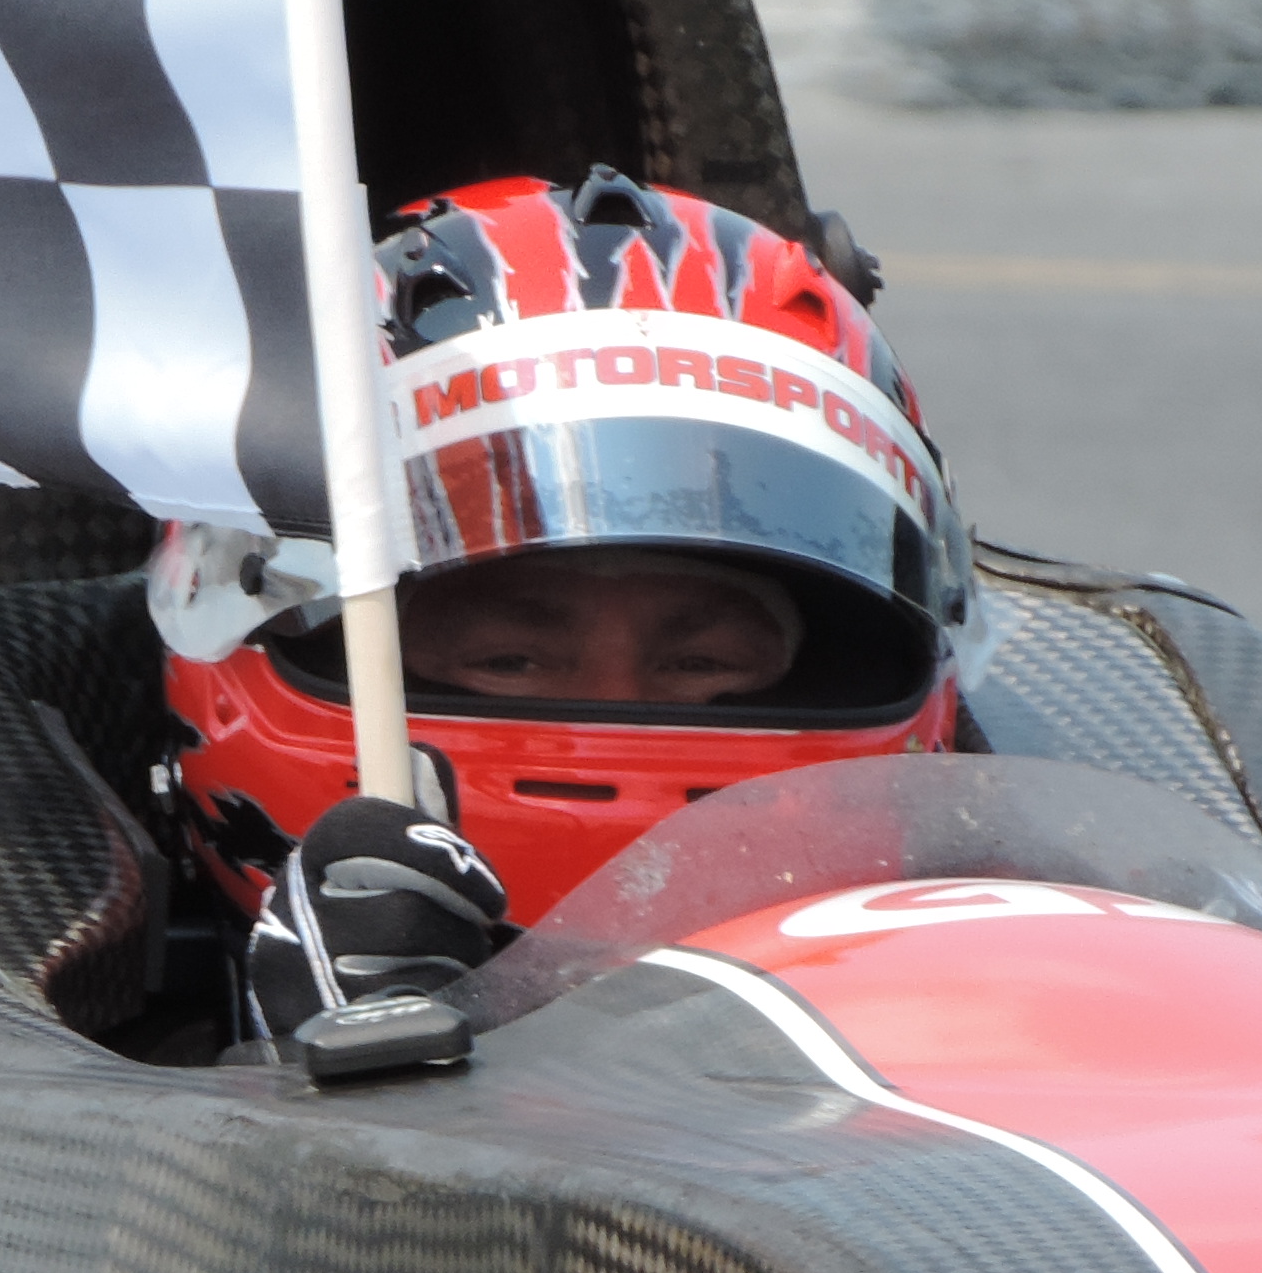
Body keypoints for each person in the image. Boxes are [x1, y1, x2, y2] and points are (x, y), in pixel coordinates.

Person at [152, 166, 970, 1042]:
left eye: (702, 662)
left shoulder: (997, 971)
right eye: (512, 659)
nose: (612, 707)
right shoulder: (62, 1037)